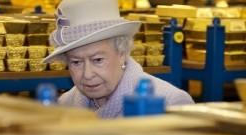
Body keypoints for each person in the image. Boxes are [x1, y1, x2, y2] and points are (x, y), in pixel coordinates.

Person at [42, 0, 195, 118]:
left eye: (98, 60)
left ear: (122, 53)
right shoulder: (65, 105)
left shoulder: (170, 103)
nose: (87, 74)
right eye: (76, 62)